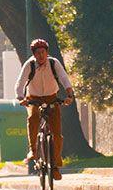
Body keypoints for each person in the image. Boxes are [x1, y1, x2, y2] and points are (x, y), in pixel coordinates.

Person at [14, 38, 75, 180]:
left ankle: (55, 165)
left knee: (57, 133)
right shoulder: (29, 65)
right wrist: (20, 98)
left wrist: (69, 95)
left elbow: (64, 79)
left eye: (43, 52)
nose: (41, 55)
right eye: (38, 53)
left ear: (47, 52)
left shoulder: (54, 63)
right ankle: (33, 151)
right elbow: (20, 83)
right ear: (34, 54)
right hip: (33, 98)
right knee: (33, 117)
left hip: (51, 97)